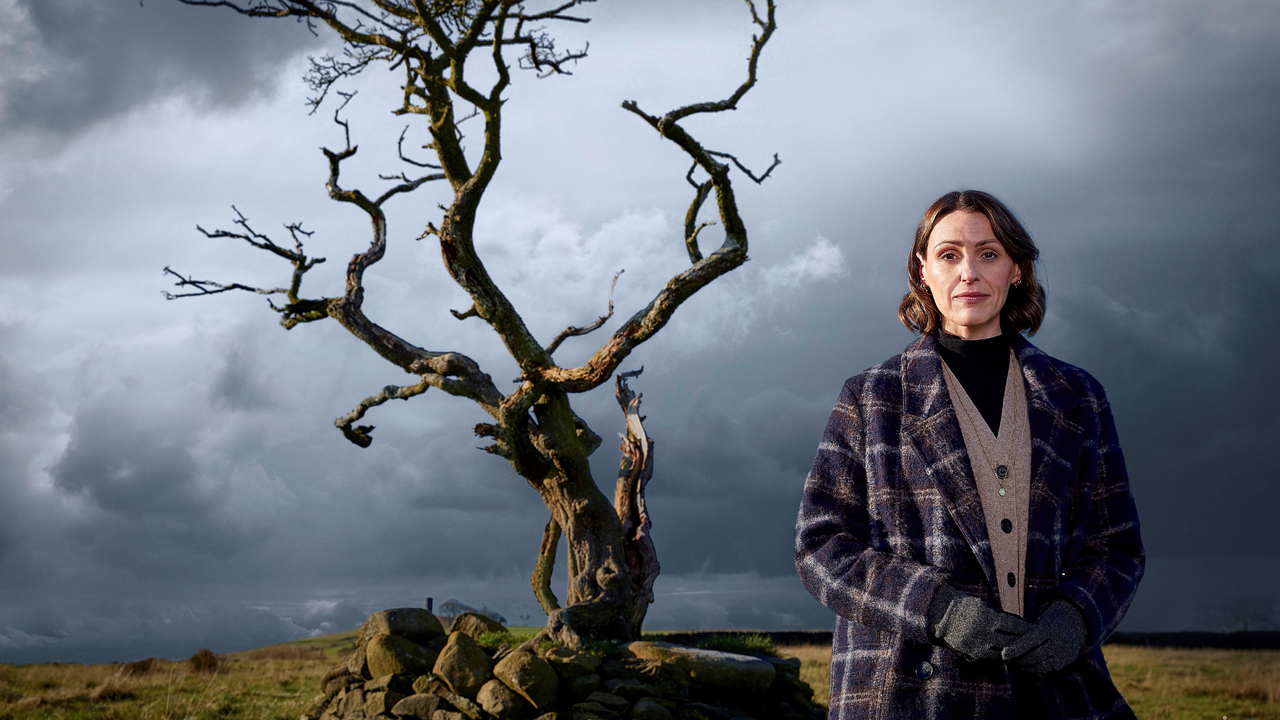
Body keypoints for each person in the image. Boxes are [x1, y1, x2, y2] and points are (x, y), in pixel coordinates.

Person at [795, 190, 1143, 719]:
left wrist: (1075, 617)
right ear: (923, 270)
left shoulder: (1077, 396)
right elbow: (821, 547)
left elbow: (1116, 545)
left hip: (1053, 693)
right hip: (912, 695)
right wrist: (937, 609)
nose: (969, 273)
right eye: (949, 255)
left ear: (1017, 270)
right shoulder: (870, 397)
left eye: (988, 254)